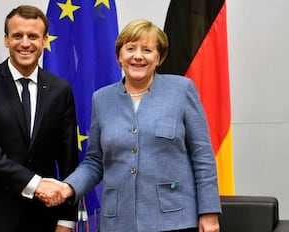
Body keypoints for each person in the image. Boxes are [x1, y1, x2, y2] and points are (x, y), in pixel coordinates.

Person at [39, 19, 222, 232]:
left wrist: (209, 213)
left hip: (175, 219)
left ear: (159, 57)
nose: (138, 56)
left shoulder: (181, 90)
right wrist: (68, 188)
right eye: (131, 48)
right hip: (118, 222)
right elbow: (95, 161)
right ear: (119, 56)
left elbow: (202, 157)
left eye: (147, 50)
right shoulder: (102, 98)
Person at [0, 5, 79, 232]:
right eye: (17, 36)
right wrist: (36, 184)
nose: (25, 43)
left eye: (33, 36)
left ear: (44, 41)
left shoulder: (60, 90)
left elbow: (68, 158)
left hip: (42, 217)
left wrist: (66, 220)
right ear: (6, 40)